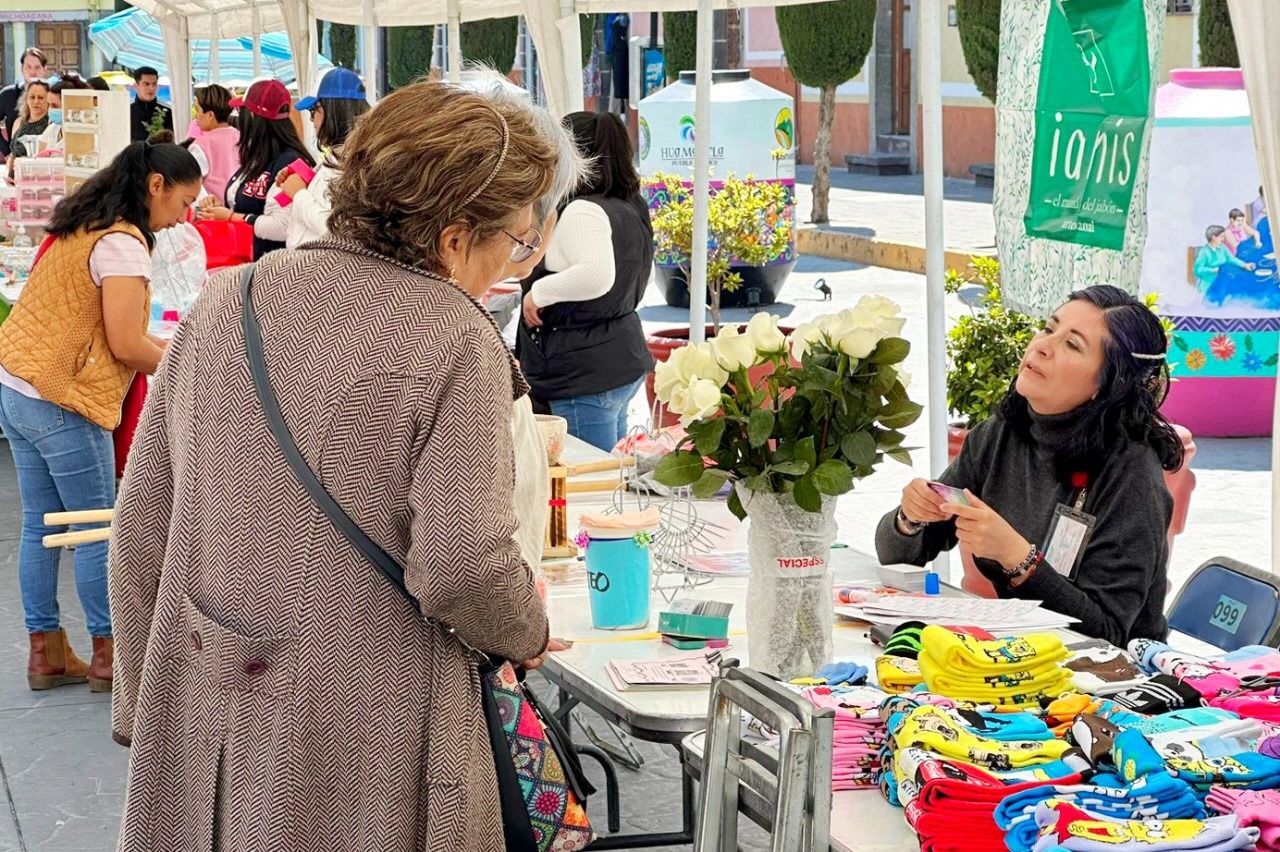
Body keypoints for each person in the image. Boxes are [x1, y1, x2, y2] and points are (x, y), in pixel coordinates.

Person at [109, 79, 569, 850]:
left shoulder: (229, 299)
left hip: (212, 711)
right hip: (375, 730)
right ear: (454, 237)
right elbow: (463, 568)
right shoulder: (455, 336)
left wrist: (146, 706)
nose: (510, 266)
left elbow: (140, 524)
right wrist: (526, 627)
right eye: (515, 243)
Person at [876, 286, 1185, 646]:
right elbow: (897, 556)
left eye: (1072, 345)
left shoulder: (1131, 475)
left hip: (1111, 682)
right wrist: (911, 518)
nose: (1041, 345)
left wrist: (1018, 558)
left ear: (1108, 384)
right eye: (1049, 327)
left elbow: (1109, 633)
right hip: (1023, 657)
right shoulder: (1005, 432)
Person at [0, 141, 201, 693]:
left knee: (41, 524)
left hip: (18, 385)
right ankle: (110, 653)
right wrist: (194, 360)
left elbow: (115, 334)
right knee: (97, 528)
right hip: (65, 398)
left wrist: (172, 345)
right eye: (183, 202)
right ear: (155, 186)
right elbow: (127, 344)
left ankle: (45, 652)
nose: (183, 217)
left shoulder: (84, 220)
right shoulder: (123, 244)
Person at [516, 111, 654, 452]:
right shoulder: (630, 205)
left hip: (582, 373)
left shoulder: (583, 211)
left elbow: (596, 275)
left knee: (588, 479)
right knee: (612, 476)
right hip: (615, 359)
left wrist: (538, 293)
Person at [196, 79, 313, 259]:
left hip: (273, 268)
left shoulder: (288, 163)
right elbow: (246, 203)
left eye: (240, 111)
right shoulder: (257, 157)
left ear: (251, 117)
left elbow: (282, 226)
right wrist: (221, 206)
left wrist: (231, 216)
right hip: (245, 261)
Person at [279, 68, 370, 248]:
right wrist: (305, 178)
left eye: (315, 110)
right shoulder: (339, 155)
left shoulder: (356, 164)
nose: (312, 120)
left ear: (335, 110)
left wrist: (299, 194)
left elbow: (336, 229)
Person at [188, 83, 240, 201]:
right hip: (241, 210)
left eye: (198, 110)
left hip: (212, 212)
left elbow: (191, 183)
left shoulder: (200, 145)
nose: (196, 116)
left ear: (210, 115)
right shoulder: (243, 138)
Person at [0, 47, 47, 158]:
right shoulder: (8, 94)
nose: (32, 72)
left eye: (37, 67)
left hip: (47, 157)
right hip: (16, 158)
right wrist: (7, 150)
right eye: (28, 67)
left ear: (45, 69)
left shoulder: (52, 94)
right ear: (22, 68)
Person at [1194, 224, 1255, 293]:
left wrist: (1245, 265)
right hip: (1210, 284)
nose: (1223, 239)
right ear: (1214, 237)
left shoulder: (1222, 247)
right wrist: (1212, 270)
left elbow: (1231, 258)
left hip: (1222, 280)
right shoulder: (1204, 252)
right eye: (1221, 237)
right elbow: (1198, 270)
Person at [129, 66, 173, 142]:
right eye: (146, 84)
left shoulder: (168, 112)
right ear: (136, 86)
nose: (151, 88)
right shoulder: (127, 112)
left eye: (154, 84)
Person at [9, 80, 51, 158]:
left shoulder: (51, 124)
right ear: (26, 99)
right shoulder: (18, 122)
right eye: (32, 97)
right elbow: (13, 153)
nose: (36, 101)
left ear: (49, 100)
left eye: (41, 98)